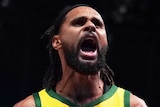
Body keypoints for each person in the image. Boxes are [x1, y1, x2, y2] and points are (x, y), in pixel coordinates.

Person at [13, 4, 148, 107]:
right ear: (57, 41)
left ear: (106, 42)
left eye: (98, 24)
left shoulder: (132, 105)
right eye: (79, 22)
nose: (90, 26)